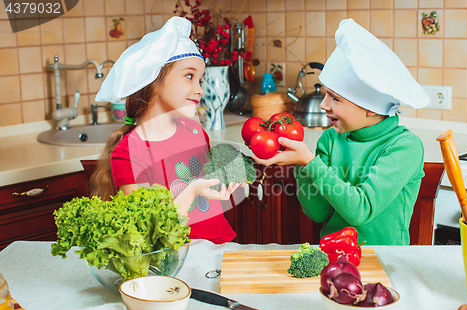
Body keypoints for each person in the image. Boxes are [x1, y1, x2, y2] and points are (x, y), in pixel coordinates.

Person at [253, 19, 430, 245]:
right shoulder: (330, 139)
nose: (323, 105)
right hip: (331, 258)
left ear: (369, 107)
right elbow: (318, 214)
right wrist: (301, 166)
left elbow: (361, 210)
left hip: (384, 261)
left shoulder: (404, 146)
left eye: (335, 98)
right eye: (326, 94)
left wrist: (310, 163)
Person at [90, 17, 240, 244]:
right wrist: (191, 191)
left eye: (200, 79)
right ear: (155, 79)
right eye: (189, 76)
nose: (198, 89)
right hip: (176, 259)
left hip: (220, 248)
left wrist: (226, 180)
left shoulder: (195, 131)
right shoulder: (129, 152)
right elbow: (148, 230)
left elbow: (208, 190)